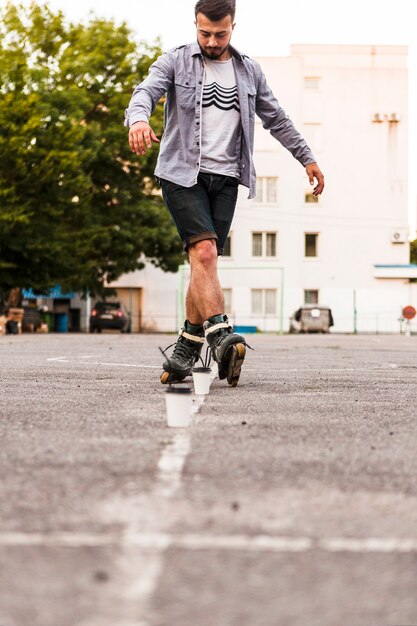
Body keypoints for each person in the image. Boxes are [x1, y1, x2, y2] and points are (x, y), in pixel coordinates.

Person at [125, 0, 324, 387]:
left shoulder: (249, 71)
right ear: (195, 26)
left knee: (205, 263)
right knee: (205, 252)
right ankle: (220, 334)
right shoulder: (176, 61)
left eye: (220, 33)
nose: (212, 41)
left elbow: (276, 118)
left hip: (227, 177)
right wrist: (137, 119)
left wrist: (307, 158)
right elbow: (145, 92)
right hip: (182, 173)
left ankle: (187, 345)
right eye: (205, 33)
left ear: (233, 26)